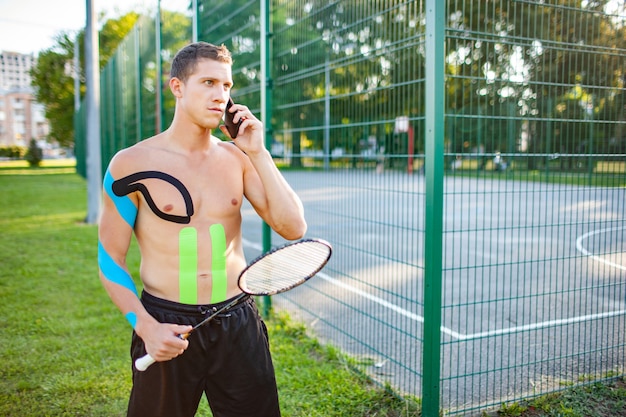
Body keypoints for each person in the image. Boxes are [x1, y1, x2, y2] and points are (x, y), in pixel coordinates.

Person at [97, 42, 307, 417]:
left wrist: (257, 152)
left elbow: (292, 227)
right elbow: (110, 258)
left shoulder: (237, 159)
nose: (220, 96)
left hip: (237, 320)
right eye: (208, 82)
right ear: (177, 87)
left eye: (226, 86)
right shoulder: (130, 163)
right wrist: (145, 327)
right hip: (165, 321)